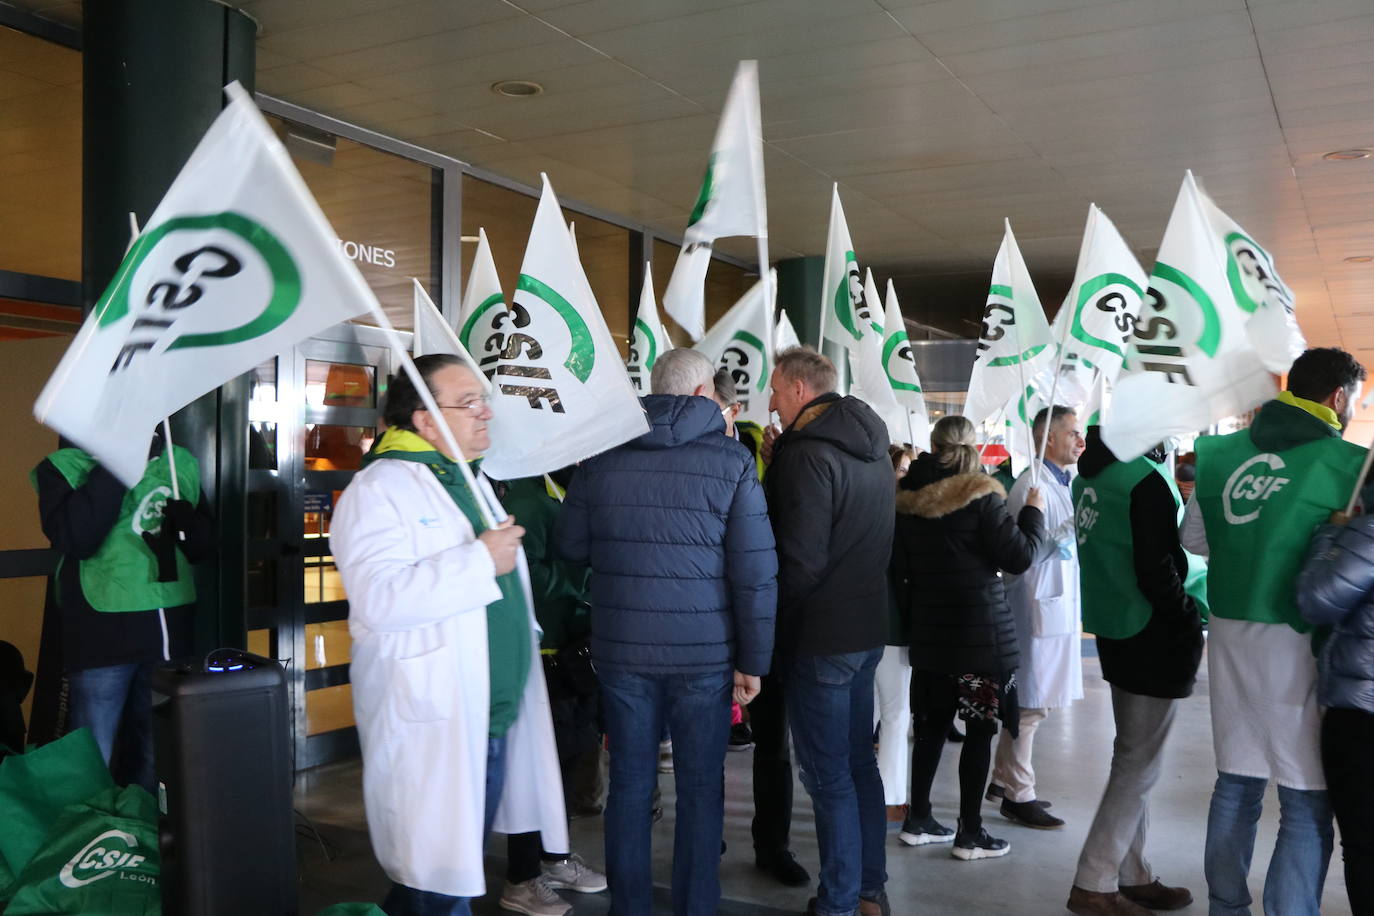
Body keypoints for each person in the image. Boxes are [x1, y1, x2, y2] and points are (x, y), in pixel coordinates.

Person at [331, 354, 567, 916]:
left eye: (483, 399)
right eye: (469, 403)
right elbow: (380, 599)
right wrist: (480, 560)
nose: (486, 412)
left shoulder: (464, 478)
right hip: (437, 716)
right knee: (433, 880)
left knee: (448, 871)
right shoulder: (379, 489)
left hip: (488, 714)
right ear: (424, 418)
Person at [555, 347, 777, 916]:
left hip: (622, 649)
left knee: (630, 784)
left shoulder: (601, 456)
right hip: (704, 656)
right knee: (701, 787)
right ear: (706, 394)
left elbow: (571, 546)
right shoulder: (731, 464)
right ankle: (696, 906)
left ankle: (628, 908)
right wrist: (752, 662)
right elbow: (754, 576)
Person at [1182, 347, 1368, 916]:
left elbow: (1194, 540)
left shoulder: (1219, 453)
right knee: (1304, 799)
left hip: (1232, 631)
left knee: (1236, 783)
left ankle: (1226, 908)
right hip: (1299, 640)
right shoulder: (1346, 465)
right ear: (1338, 398)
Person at [765, 346, 892, 916]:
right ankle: (869, 890)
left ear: (798, 390)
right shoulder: (871, 448)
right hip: (866, 629)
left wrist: (769, 631)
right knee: (859, 765)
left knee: (827, 775)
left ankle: (838, 901)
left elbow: (801, 561)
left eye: (774, 389)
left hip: (819, 637)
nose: (768, 400)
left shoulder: (807, 456)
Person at [892, 416, 1045, 862]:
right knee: (979, 731)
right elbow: (1018, 556)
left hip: (930, 631)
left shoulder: (906, 499)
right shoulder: (981, 496)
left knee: (931, 729)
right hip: (980, 635)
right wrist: (1032, 512)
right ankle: (970, 832)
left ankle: (918, 819)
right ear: (971, 446)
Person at [1065, 428, 1205, 915]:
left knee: (1131, 756)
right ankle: (1094, 881)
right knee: (1138, 765)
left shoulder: (1090, 477)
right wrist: (1186, 613)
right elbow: (1158, 566)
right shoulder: (1146, 481)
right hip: (1152, 629)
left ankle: (1133, 872)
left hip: (1112, 624)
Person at [33, 429, 214, 793]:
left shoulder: (179, 463)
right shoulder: (64, 467)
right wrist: (120, 462)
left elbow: (203, 548)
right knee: (93, 753)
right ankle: (92, 840)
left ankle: (142, 833)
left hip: (168, 631)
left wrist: (189, 524)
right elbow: (77, 538)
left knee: (154, 751)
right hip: (102, 633)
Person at [496, 469, 607, 916]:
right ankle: (522, 877)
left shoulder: (553, 486)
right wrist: (586, 580)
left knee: (564, 763)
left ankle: (553, 858)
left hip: (569, 651)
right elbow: (531, 575)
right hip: (541, 654)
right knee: (536, 768)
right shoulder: (522, 495)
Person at [990, 406, 1085, 829]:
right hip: (1034, 605)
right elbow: (1021, 554)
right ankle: (1018, 792)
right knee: (1029, 705)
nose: (1079, 442)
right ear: (1048, 439)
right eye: (1072, 434)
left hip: (1052, 605)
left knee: (1035, 703)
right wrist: (1064, 534)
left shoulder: (1059, 482)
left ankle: (1002, 778)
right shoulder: (1032, 484)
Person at [1296, 481, 1374, 915]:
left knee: (1365, 843)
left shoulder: (1368, 535)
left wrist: (1331, 536)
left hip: (1362, 713)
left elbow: (1316, 599)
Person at [877, 445, 917, 828]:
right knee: (895, 714)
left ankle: (873, 791)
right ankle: (890, 798)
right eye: (903, 467)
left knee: (875, 713)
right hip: (893, 627)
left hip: (865, 625)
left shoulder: (866, 508)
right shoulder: (902, 515)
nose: (907, 473)